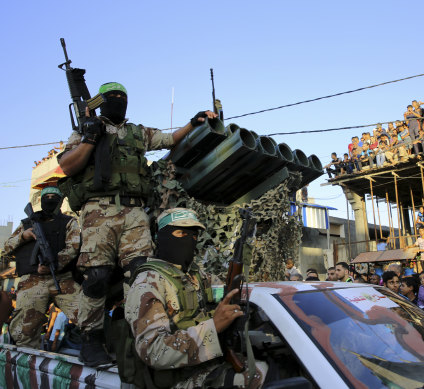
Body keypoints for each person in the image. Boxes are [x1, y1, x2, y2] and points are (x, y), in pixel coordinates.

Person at [57, 81, 218, 366]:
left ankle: (139, 336)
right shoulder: (84, 131)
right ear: (99, 103)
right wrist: (89, 139)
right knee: (96, 278)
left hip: (134, 211)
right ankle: (90, 340)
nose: (119, 102)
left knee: (140, 274)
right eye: (112, 98)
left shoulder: (137, 133)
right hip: (98, 211)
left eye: (123, 98)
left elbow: (170, 139)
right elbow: (69, 166)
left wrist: (194, 123)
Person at [123, 208, 266, 387]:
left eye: (193, 235)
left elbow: (229, 292)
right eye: (180, 232)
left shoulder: (197, 276)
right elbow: (153, 351)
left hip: (207, 365)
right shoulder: (148, 284)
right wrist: (213, 327)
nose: (189, 239)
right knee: (258, 376)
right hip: (176, 380)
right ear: (163, 236)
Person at [3, 186, 81, 349]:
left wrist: (55, 263)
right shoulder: (27, 223)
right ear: (42, 200)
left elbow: (73, 246)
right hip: (32, 280)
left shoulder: (69, 221)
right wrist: (22, 237)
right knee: (24, 331)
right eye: (47, 196)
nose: (51, 199)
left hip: (61, 277)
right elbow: (7, 246)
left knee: (88, 316)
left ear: (60, 201)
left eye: (55, 197)